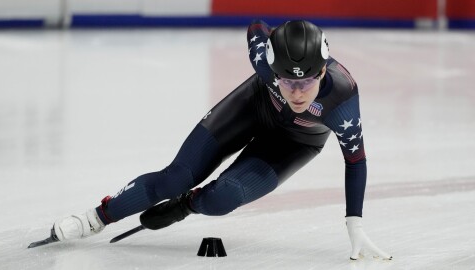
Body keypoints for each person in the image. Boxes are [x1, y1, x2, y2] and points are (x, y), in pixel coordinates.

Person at [49, 20, 391, 260]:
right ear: (274, 69)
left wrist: (355, 221)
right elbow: (256, 26)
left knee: (222, 198)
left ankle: (188, 204)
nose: (297, 93)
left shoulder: (343, 99)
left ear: (321, 72)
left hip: (296, 143)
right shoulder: (264, 62)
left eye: (306, 84)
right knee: (175, 178)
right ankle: (96, 217)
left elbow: (356, 161)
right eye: (287, 82)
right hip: (252, 107)